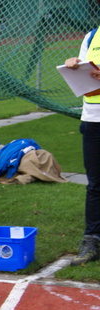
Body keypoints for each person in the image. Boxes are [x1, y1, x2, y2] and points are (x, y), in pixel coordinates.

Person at [64, 23, 100, 266]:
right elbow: (87, 74)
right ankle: (92, 240)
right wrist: (74, 65)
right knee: (95, 184)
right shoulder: (91, 36)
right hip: (92, 119)